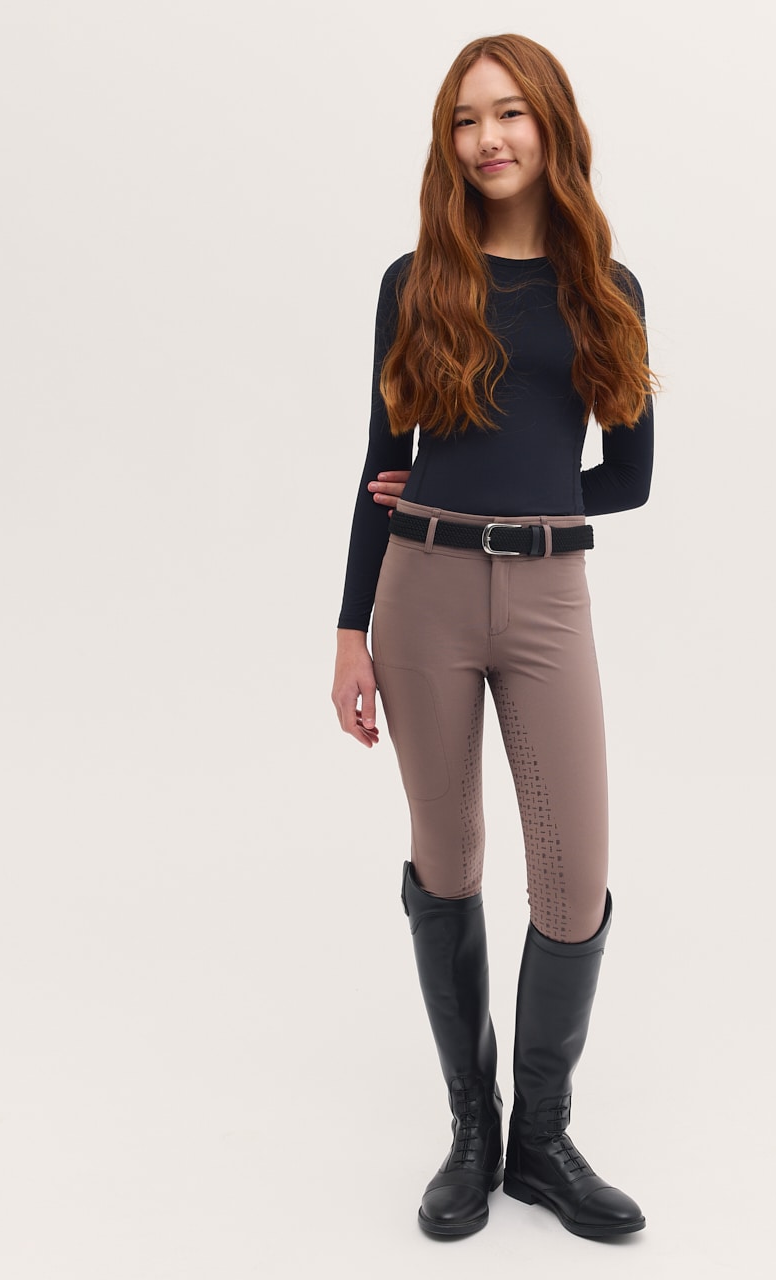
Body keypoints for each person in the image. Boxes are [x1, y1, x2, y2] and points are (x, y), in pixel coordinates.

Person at [331, 33, 655, 1239]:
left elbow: (627, 475)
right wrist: (349, 627)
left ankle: (542, 1138)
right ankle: (472, 1128)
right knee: (446, 854)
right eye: (465, 119)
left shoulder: (605, 289)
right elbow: (381, 463)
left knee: (572, 879)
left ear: (549, 124)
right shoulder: (413, 280)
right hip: (418, 590)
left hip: (548, 594)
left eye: (508, 112)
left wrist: (528, 504)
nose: (487, 138)